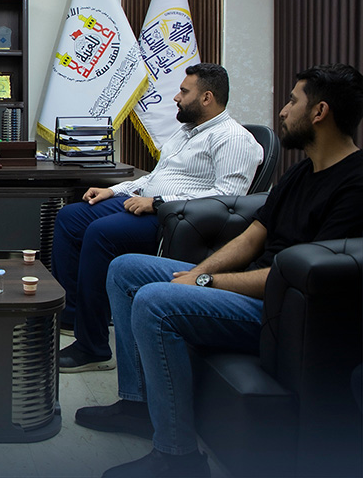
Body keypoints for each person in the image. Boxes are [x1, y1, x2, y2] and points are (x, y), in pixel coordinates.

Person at [76, 63, 363, 478]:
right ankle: (138, 405)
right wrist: (199, 272)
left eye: (292, 101)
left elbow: (303, 280)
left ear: (319, 112)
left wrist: (207, 281)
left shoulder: (354, 185)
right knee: (125, 270)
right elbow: (254, 236)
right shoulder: (303, 171)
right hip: (258, 289)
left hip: (283, 311)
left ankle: (178, 458)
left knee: (155, 302)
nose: (283, 111)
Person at [53, 63, 262, 373]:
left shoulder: (233, 138)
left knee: (100, 232)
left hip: (176, 220)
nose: (176, 97)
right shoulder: (186, 132)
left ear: (206, 98)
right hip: (149, 204)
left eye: (184, 92)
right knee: (70, 217)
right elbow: (154, 178)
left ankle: (93, 348)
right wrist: (114, 190)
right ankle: (73, 317)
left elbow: (227, 199)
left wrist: (158, 203)